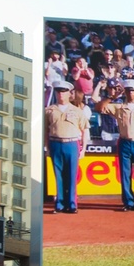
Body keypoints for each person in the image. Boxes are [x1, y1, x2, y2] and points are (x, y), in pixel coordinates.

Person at [93, 79, 134, 211]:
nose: (130, 93)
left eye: (132, 90)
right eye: (127, 90)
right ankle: (128, 201)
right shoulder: (118, 107)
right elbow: (98, 108)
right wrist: (111, 97)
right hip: (124, 141)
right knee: (125, 173)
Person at [45, 81, 90, 213]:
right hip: (55, 143)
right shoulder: (49, 110)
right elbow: (45, 131)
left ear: (70, 93)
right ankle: (59, 203)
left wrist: (84, 149)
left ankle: (71, 203)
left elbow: (85, 130)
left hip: (72, 143)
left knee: (71, 175)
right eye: (58, 91)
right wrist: (47, 147)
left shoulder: (77, 111)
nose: (61, 94)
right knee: (58, 175)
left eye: (64, 91)